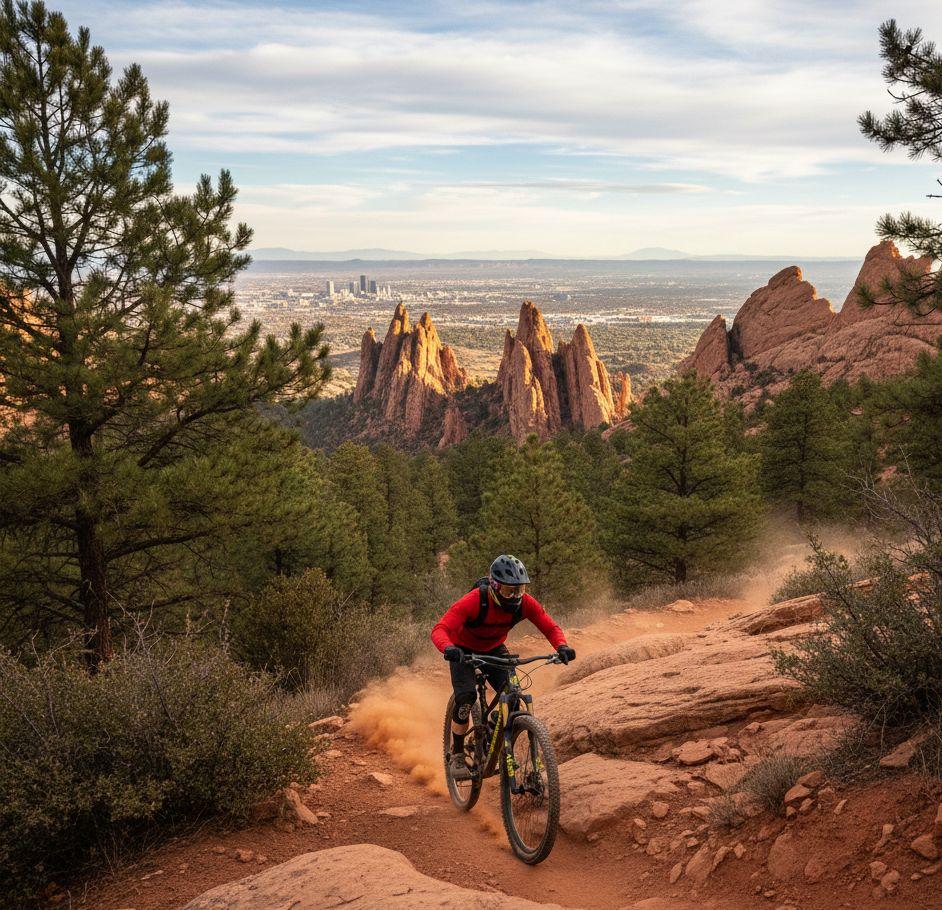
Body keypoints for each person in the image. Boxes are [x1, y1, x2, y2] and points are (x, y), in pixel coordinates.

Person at [431, 554, 576, 780]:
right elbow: (440, 629)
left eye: (521, 589)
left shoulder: (525, 603)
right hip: (463, 651)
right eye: (510, 591)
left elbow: (549, 626)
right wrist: (448, 648)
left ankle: (492, 727)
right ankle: (458, 754)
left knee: (514, 694)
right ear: (495, 587)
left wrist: (562, 646)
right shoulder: (473, 601)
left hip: (494, 648)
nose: (516, 596)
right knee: (466, 698)